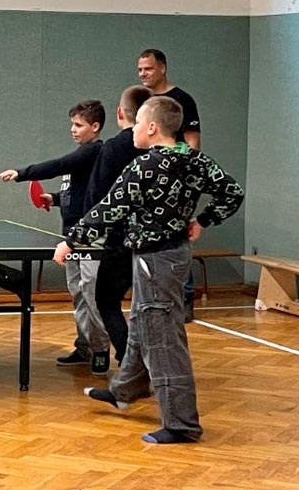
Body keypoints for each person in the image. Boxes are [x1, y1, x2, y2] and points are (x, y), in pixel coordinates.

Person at [54, 96, 244, 444]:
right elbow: (232, 192)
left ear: (153, 128)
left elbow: (109, 208)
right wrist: (202, 220)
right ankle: (125, 390)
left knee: (163, 339)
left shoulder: (145, 166)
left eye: (138, 124)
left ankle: (182, 424)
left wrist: (72, 241)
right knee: (142, 323)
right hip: (172, 255)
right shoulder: (196, 160)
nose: (134, 131)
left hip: (155, 261)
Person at [0, 99, 109, 374]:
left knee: (91, 294)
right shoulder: (82, 154)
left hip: (89, 237)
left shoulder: (94, 151)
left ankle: (101, 350)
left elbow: (59, 165)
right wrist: (55, 198)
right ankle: (85, 347)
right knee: (78, 294)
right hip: (70, 235)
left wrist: (21, 173)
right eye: (72, 124)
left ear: (95, 127)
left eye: (78, 125)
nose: (73, 129)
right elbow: (78, 192)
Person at [84, 85, 151, 364]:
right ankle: (154, 367)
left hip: (120, 239)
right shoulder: (171, 150)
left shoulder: (113, 148)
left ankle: (128, 360)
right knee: (154, 308)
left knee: (106, 299)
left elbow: (97, 198)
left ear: (120, 113)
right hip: (160, 242)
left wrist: (81, 235)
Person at [137, 48, 202, 320]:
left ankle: (185, 296)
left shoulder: (182, 99)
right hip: (148, 181)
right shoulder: (142, 100)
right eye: (140, 70)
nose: (143, 74)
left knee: (176, 238)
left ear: (162, 68)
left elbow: (193, 142)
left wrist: (184, 173)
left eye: (148, 69)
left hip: (175, 183)